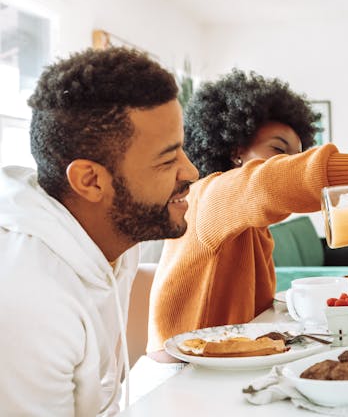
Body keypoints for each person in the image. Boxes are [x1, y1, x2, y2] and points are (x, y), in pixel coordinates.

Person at [146, 69, 348, 360]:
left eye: (298, 156)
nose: (289, 164)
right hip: (181, 368)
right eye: (279, 152)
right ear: (235, 151)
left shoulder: (250, 225)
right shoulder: (210, 197)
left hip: (228, 359)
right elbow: (272, 180)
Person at [0, 48, 199, 416]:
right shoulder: (30, 298)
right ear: (90, 181)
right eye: (168, 159)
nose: (191, 173)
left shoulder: (112, 235)